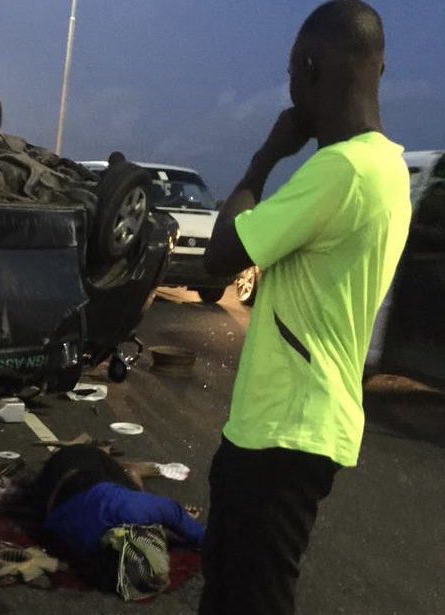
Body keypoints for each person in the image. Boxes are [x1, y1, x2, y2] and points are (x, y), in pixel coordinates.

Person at [200, 2, 411, 613]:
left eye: (294, 73)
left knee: (250, 597)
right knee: (240, 588)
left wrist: (265, 156)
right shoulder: (388, 169)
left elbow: (221, 254)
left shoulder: (339, 172)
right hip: (306, 428)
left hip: (282, 435)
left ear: (309, 68)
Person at [31, 444, 204, 601]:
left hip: (74, 463)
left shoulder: (129, 509)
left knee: (134, 495)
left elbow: (174, 514)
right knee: (132, 493)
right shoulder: (87, 549)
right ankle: (132, 471)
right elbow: (176, 516)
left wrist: (187, 526)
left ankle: (131, 471)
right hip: (49, 492)